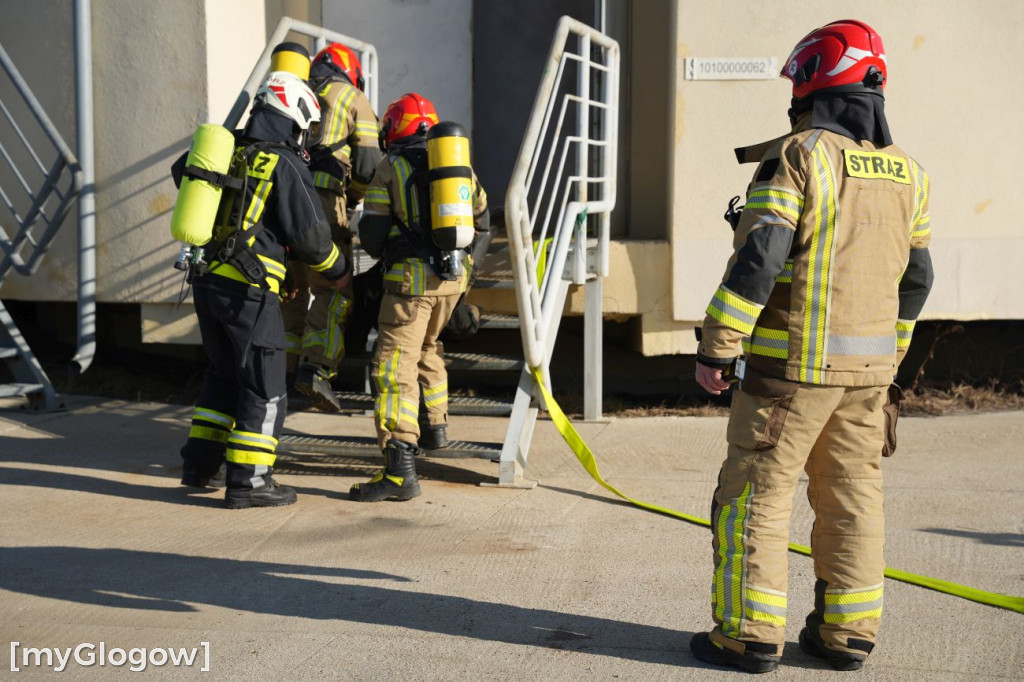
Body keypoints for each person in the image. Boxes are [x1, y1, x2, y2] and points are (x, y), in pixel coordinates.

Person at [689, 20, 933, 673]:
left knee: (755, 494)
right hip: (869, 377)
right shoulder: (911, 173)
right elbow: (920, 279)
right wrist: (890, 358)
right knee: (853, 494)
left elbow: (758, 262)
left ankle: (748, 634)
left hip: (787, 372)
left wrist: (717, 347)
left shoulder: (799, 157)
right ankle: (847, 635)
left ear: (815, 82)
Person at [176, 71, 351, 509]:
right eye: (301, 126)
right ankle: (250, 484)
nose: (302, 136)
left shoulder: (231, 148)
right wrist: (340, 272)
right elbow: (313, 239)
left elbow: (184, 171)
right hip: (247, 294)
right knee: (266, 386)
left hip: (206, 281)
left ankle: (200, 466)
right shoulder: (284, 162)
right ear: (293, 115)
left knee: (222, 376)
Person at [349, 92, 489, 502]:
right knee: (429, 347)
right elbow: (481, 215)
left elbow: (372, 237)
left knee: (393, 368)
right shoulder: (456, 166)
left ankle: (399, 471)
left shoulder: (389, 167)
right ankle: (435, 426)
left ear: (394, 129)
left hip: (410, 287)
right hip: (453, 283)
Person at [280, 43, 381, 412]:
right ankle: (316, 371)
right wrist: (352, 199)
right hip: (323, 201)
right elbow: (369, 165)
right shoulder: (352, 96)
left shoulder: (294, 90)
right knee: (332, 288)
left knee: (289, 287)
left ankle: (283, 375)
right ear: (351, 72)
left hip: (282, 198)